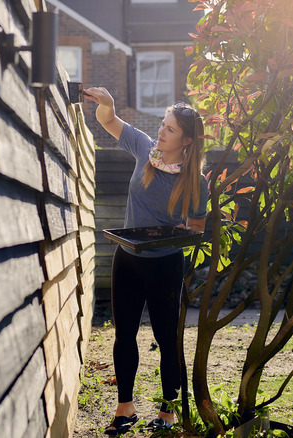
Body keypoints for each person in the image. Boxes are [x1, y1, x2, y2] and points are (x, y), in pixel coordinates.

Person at [84, 86, 208, 435]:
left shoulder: (195, 181)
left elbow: (197, 226)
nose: (161, 131)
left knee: (167, 339)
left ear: (186, 140)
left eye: (169, 129)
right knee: (124, 334)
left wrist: (182, 230)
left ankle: (168, 412)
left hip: (166, 265)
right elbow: (109, 121)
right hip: (127, 259)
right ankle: (125, 406)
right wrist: (107, 104)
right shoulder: (143, 148)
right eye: (163, 125)